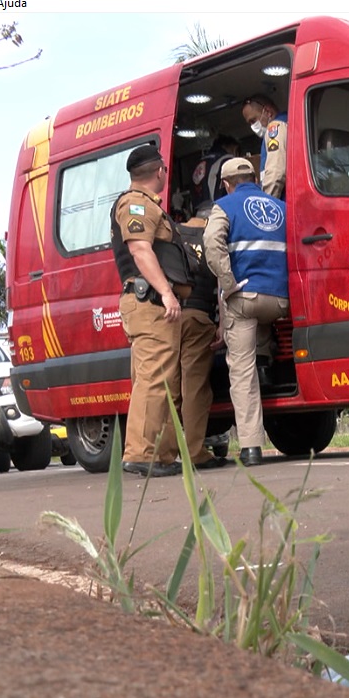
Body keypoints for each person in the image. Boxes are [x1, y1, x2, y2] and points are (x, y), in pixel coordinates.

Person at [203, 157, 289, 467]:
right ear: (254, 177)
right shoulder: (279, 206)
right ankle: (265, 363)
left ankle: (251, 446)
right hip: (280, 299)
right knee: (260, 328)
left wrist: (228, 283)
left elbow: (212, 245)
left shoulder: (224, 206)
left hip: (246, 296)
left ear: (226, 184)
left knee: (241, 371)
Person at [109, 144, 187, 477]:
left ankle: (161, 454)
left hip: (151, 304)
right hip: (150, 302)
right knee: (154, 378)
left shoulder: (146, 205)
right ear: (159, 172)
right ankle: (141, 453)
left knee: (162, 379)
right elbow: (141, 250)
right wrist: (167, 292)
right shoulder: (136, 204)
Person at [174, 202, 226, 470]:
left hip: (169, 317)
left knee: (169, 387)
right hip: (197, 317)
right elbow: (221, 284)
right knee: (194, 388)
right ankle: (194, 452)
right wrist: (222, 324)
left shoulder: (174, 233)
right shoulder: (212, 238)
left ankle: (163, 452)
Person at [242, 94, 286, 199]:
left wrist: (267, 205)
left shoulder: (275, 128)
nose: (252, 126)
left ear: (268, 112)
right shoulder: (288, 122)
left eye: (253, 120)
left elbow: (275, 173)